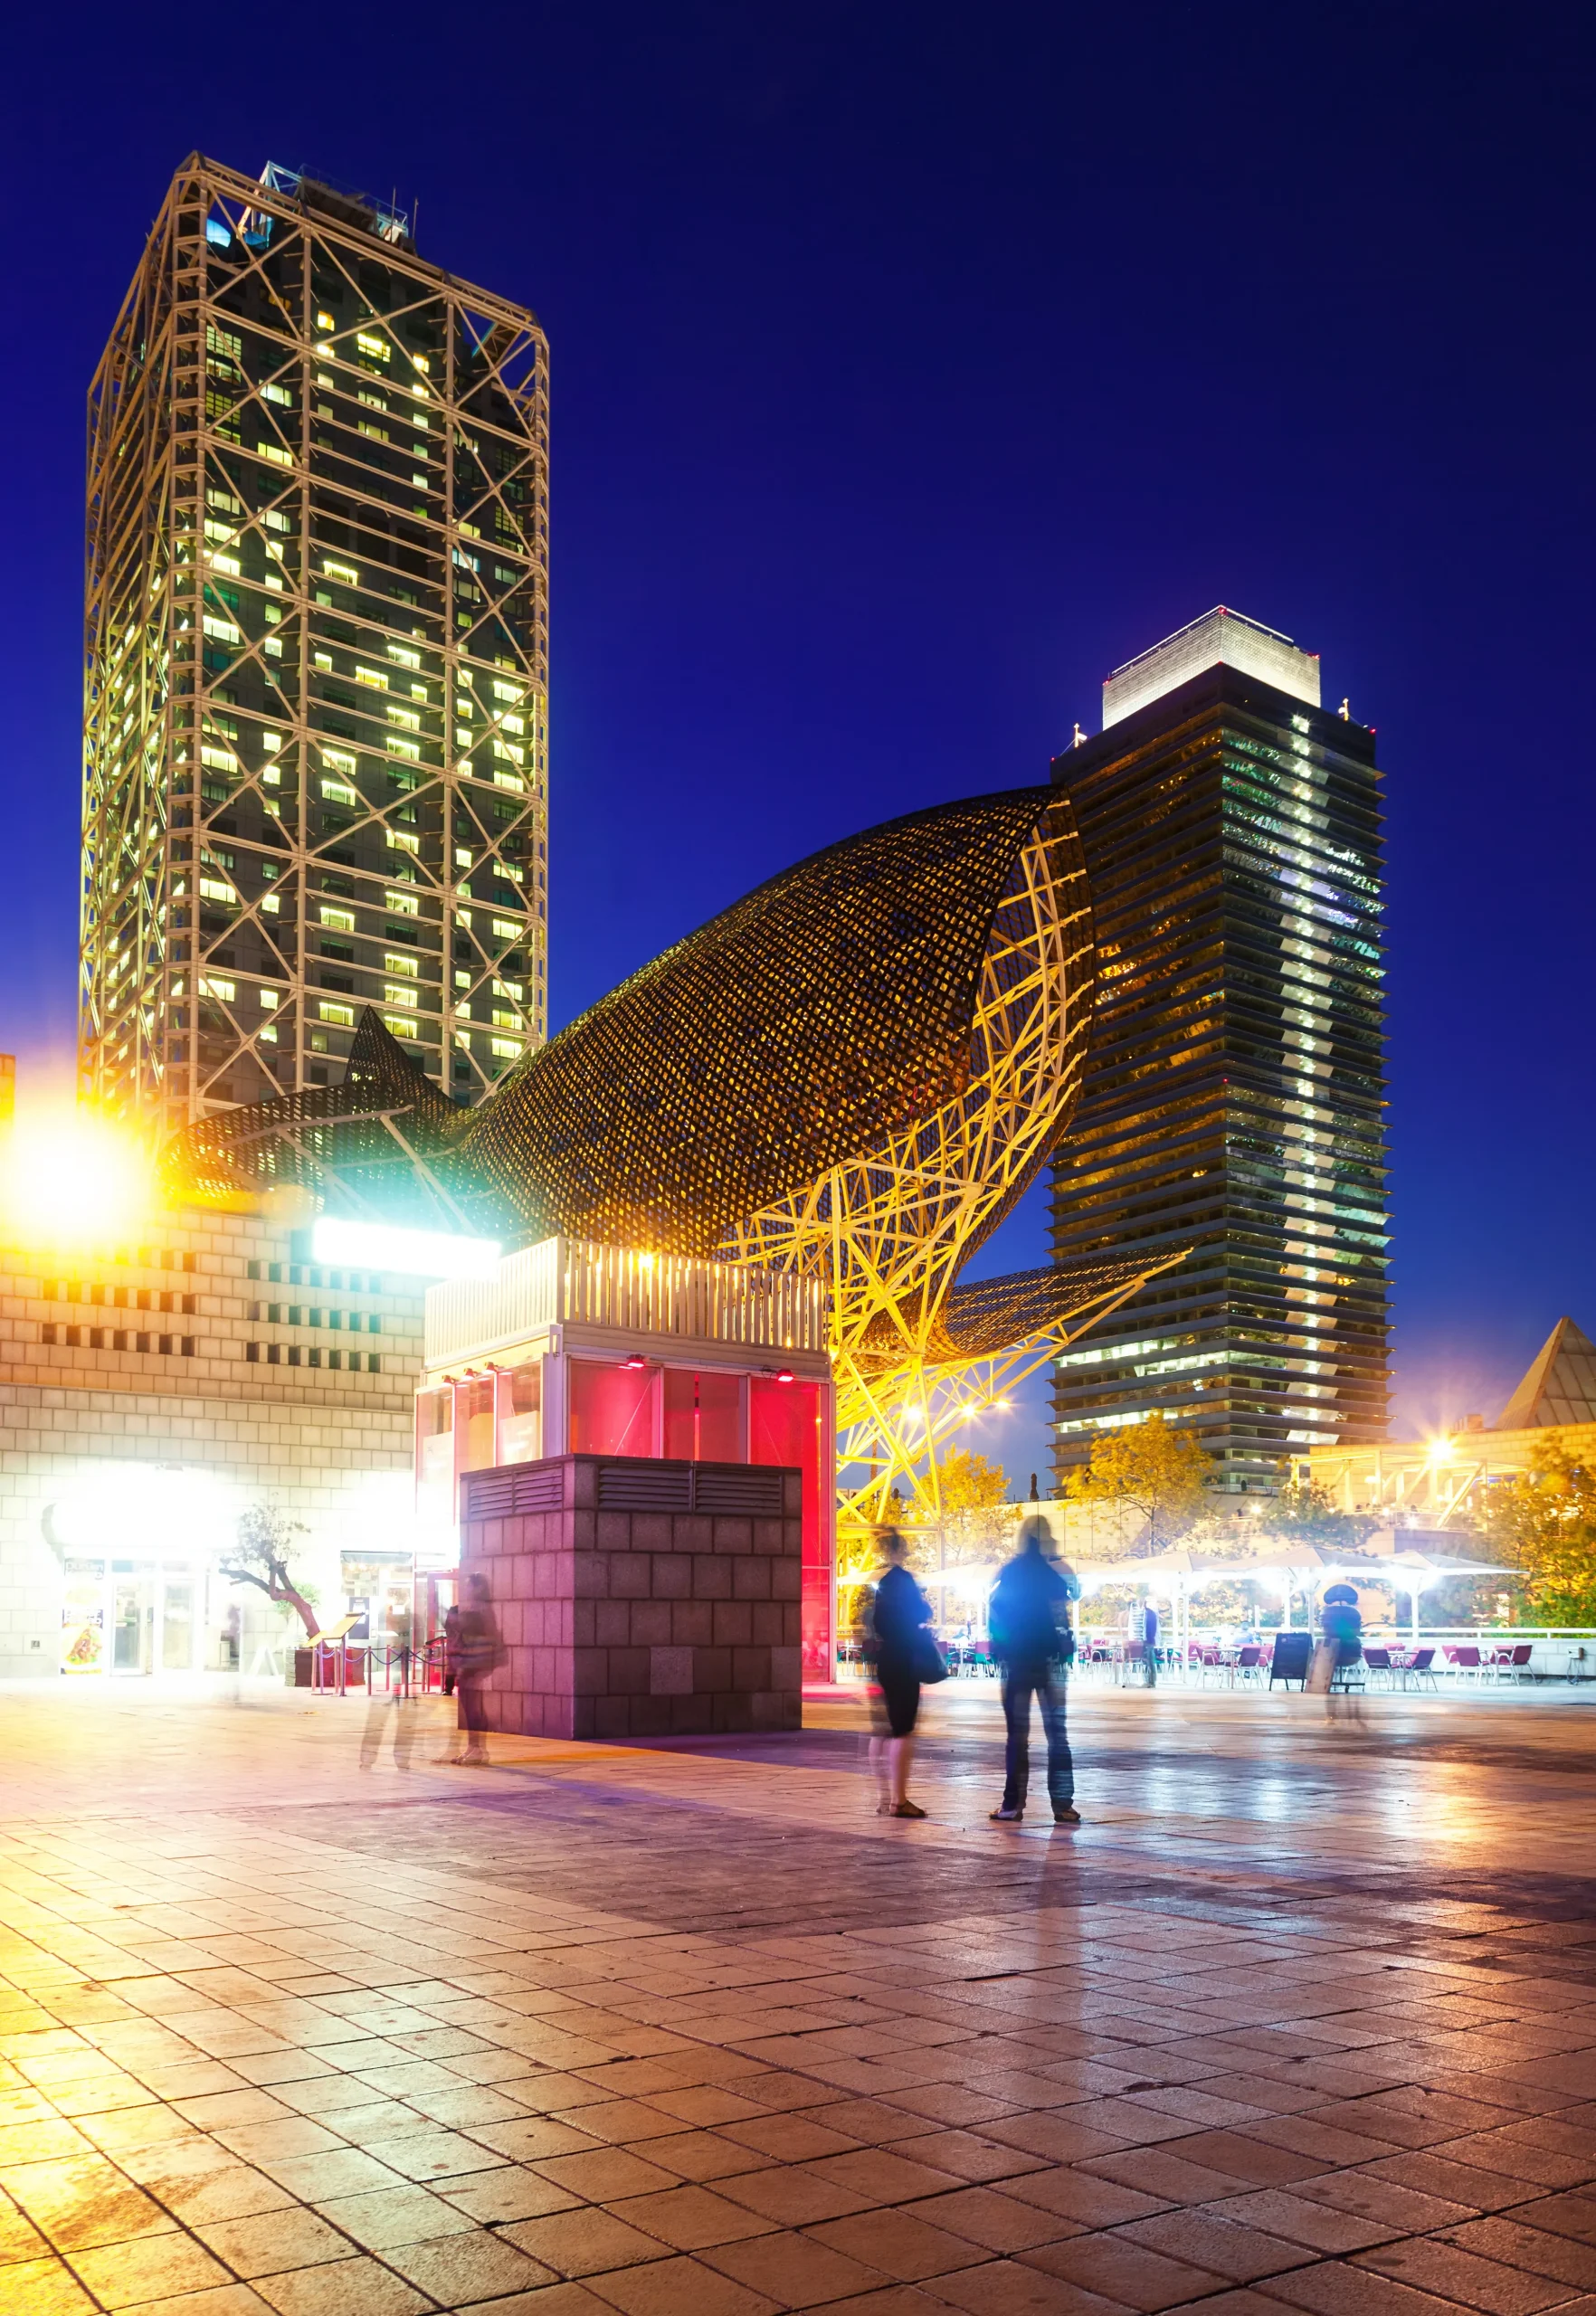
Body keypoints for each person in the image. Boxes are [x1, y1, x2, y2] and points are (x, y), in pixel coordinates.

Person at [988, 1515, 1081, 1826]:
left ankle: (1012, 1805)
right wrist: (1064, 1649)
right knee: (1057, 1735)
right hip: (1050, 1662)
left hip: (1016, 1663)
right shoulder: (1053, 1573)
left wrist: (1001, 1648)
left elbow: (996, 1614)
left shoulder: (1009, 1572)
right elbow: (1061, 1612)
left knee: (1017, 1736)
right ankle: (1063, 1805)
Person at [866, 1530, 935, 1819]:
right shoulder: (905, 1581)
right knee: (902, 1730)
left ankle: (883, 1797)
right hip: (905, 1661)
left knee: (882, 1729)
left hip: (883, 1661)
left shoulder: (880, 1583)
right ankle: (900, 1800)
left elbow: (874, 1620)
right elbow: (923, 1612)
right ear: (901, 1550)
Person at [444, 1574, 502, 1765]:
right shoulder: (478, 1607)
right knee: (470, 1706)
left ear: (478, 1588)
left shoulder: (481, 1608)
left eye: (469, 1586)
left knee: (473, 1707)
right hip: (472, 1661)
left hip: (475, 1662)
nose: (466, 1589)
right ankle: (473, 1747)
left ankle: (478, 1749)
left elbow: (476, 1634)